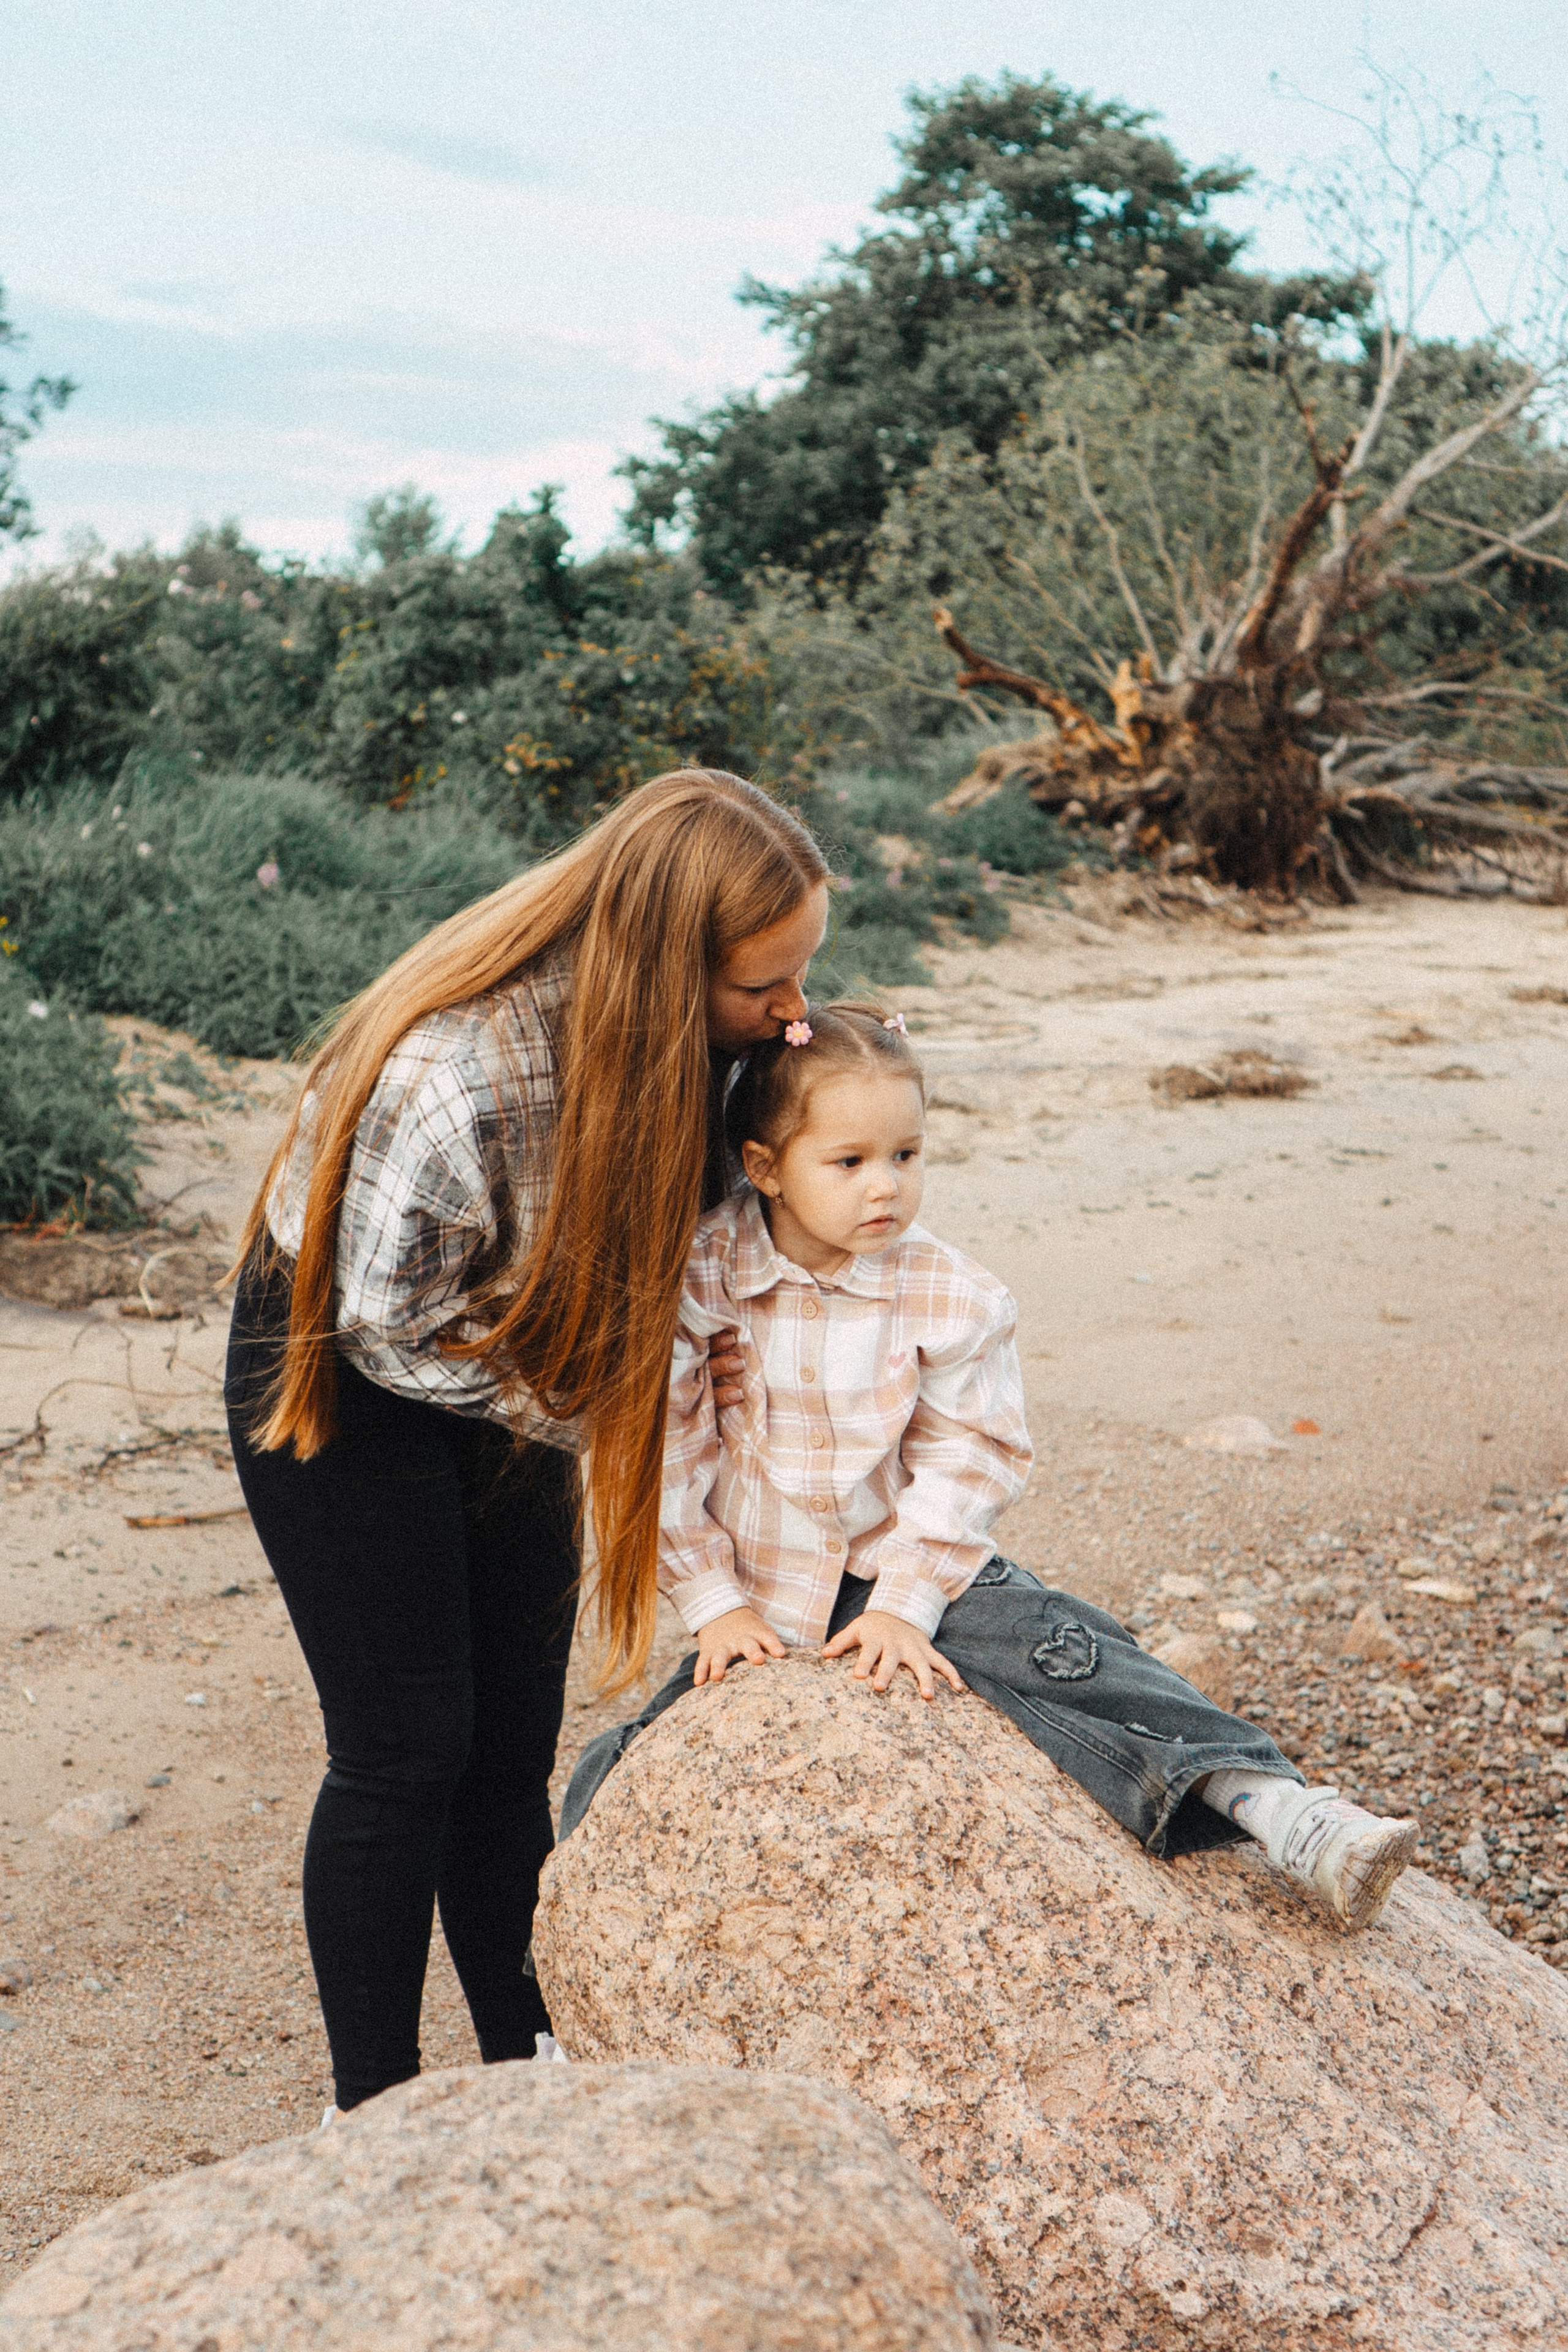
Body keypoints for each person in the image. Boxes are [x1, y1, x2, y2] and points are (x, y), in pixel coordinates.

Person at [224, 769, 831, 2118]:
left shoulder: (716, 1051)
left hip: (530, 1349)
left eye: (805, 975)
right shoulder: (468, 1068)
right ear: (670, 968)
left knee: (510, 1751)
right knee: (404, 1747)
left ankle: (528, 2074)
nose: (792, 1013)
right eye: (762, 987)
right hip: (342, 1361)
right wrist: (615, 1407)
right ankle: (370, 2114)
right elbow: (389, 1325)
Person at [561, 1002, 1420, 1933]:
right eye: (848, 1164)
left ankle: (1276, 1806)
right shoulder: (699, 1276)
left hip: (907, 1560)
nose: (884, 1187)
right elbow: (658, 1452)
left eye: (907, 1155)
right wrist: (714, 1605)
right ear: (764, 1168)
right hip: (763, 1597)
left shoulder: (949, 1292)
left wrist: (906, 1600)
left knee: (1063, 1652)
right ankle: (566, 2018)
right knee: (620, 1771)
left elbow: (974, 1454)